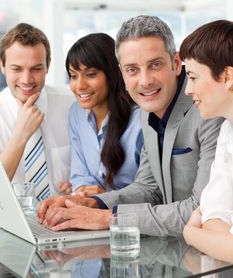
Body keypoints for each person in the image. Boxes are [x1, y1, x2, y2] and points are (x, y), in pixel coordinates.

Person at [37, 15, 223, 236]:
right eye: (132, 69)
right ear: (122, 73)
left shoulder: (208, 110)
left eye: (155, 65)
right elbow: (148, 188)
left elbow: (202, 210)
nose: (144, 81)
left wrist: (109, 218)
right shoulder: (148, 110)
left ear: (175, 63)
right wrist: (92, 203)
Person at [60, 33, 143, 196]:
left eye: (90, 74)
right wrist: (83, 192)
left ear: (112, 73)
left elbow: (152, 191)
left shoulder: (141, 119)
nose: (80, 86)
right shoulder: (76, 113)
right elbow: (80, 175)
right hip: (87, 210)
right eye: (73, 76)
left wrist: (106, 195)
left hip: (128, 216)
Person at [179, 20, 233, 264]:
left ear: (227, 75)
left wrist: (191, 234)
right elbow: (211, 213)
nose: (188, 90)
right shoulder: (227, 130)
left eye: (193, 77)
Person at [0, 23, 74, 199]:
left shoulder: (73, 105)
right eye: (16, 69)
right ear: (2, 66)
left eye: (36, 68)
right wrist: (21, 134)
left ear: (47, 66)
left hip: (66, 218)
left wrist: (83, 184)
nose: (26, 79)